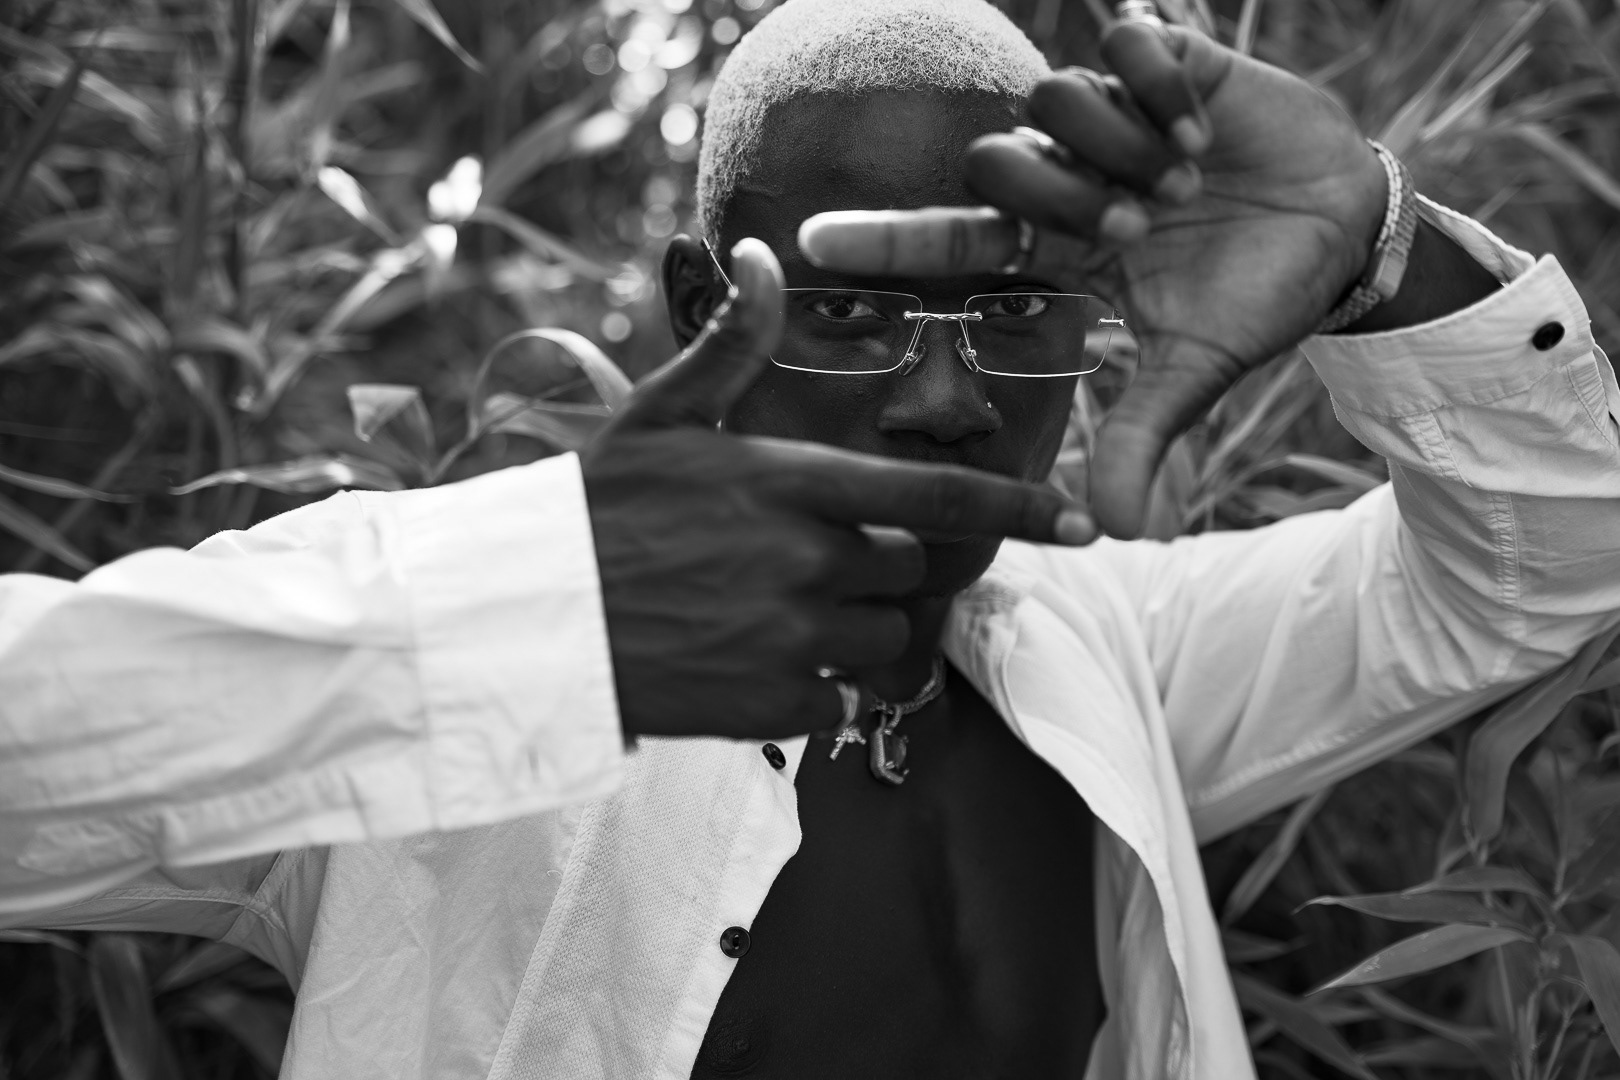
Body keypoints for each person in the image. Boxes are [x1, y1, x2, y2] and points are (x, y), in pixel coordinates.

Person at [6, 0, 1619, 1077]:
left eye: (1012, 312)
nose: (941, 398)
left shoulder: (1108, 650)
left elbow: (1534, 571)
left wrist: (1375, 251)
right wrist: (533, 626)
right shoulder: (434, 657)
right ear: (699, 305)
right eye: (849, 310)